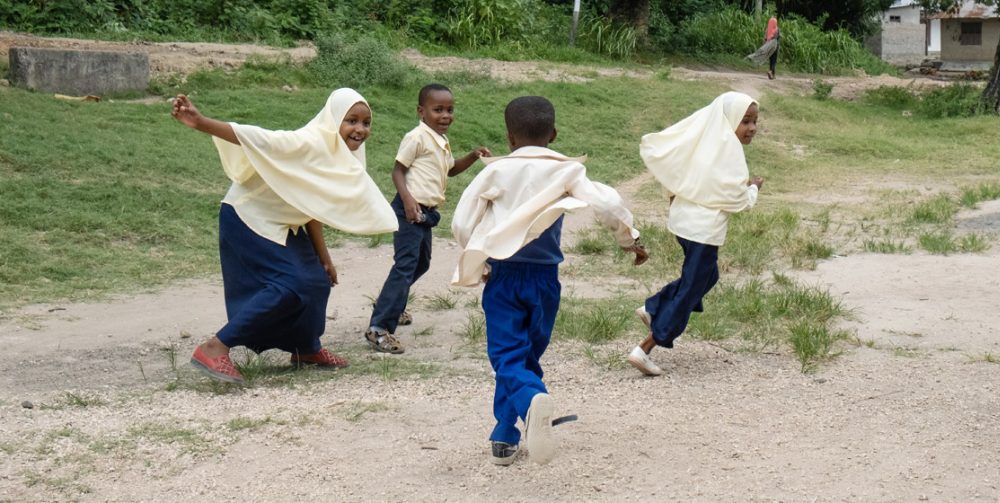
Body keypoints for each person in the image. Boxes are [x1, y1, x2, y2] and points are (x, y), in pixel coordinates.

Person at [451, 96, 648, 466]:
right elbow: (607, 204)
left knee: (507, 357)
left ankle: (529, 404)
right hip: (545, 282)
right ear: (553, 134)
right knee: (525, 356)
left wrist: (477, 260)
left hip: (505, 277)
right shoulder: (568, 171)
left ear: (509, 138)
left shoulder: (493, 172)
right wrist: (629, 240)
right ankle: (505, 432)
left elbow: (463, 223)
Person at [171, 88, 398, 384]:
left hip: (285, 223)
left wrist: (324, 258)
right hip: (248, 216)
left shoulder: (342, 159)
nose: (359, 129)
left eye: (366, 123)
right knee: (290, 285)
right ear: (333, 121)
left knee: (317, 281)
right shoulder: (307, 142)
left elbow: (315, 205)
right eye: (351, 120)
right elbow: (256, 137)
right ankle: (215, 347)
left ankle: (305, 349)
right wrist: (201, 122)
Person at [627, 91, 765, 377]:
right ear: (729, 121)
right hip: (704, 233)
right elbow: (738, 200)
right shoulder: (729, 152)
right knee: (691, 289)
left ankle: (654, 306)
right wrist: (753, 188)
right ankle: (647, 345)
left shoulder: (706, 144)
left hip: (684, 225)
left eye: (754, 121)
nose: (752, 128)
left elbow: (682, 174)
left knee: (707, 276)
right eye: (745, 121)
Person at [364, 84, 490, 354]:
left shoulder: (441, 141)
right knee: (406, 265)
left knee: (421, 262)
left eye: (450, 110)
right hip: (410, 209)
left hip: (426, 213)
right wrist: (408, 201)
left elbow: (451, 169)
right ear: (422, 111)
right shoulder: (417, 137)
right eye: (438, 110)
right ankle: (379, 328)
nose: (445, 115)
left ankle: (390, 303)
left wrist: (473, 156)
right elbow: (398, 171)